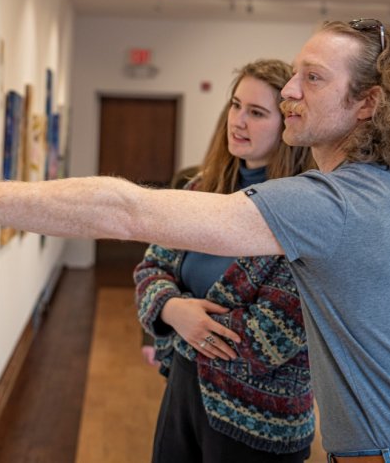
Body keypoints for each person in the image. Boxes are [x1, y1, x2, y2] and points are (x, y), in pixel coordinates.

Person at [0, 19, 390, 462]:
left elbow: (125, 211)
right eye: (294, 74)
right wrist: (172, 310)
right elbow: (154, 266)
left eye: (314, 78)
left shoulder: (333, 205)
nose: (292, 91)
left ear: (368, 104)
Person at [135, 59, 315, 461]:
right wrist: (173, 308)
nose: (238, 121)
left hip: (261, 421)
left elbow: (269, 336)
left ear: (288, 124)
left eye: (256, 113)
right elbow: (151, 268)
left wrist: (182, 320)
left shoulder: (304, 211)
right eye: (235, 106)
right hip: (184, 392)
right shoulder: (201, 190)